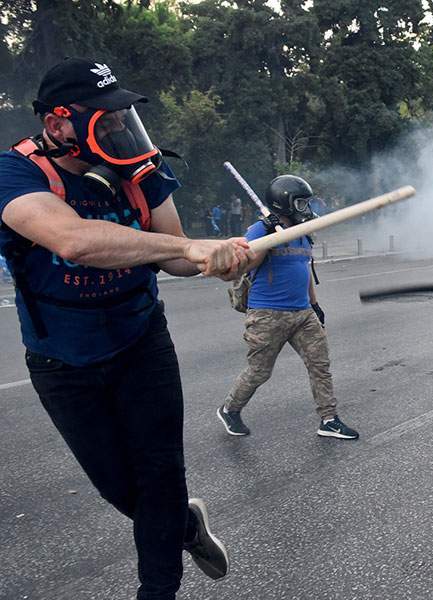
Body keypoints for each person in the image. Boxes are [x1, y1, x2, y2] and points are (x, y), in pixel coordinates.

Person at [0, 58, 253, 600]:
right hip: (61, 360)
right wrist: (185, 247)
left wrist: (223, 257)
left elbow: (178, 259)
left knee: (161, 479)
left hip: (142, 343)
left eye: (122, 114)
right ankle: (184, 527)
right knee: (121, 489)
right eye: (103, 115)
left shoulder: (143, 171)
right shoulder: (16, 173)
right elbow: (75, 242)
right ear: (59, 123)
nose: (118, 126)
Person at [218, 175, 358, 440]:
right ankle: (230, 410)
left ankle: (329, 419)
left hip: (302, 313)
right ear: (284, 203)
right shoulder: (260, 230)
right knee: (259, 371)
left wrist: (315, 305)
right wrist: (269, 235)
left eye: (307, 202)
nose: (306, 207)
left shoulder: (302, 234)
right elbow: (246, 265)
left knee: (320, 364)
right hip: (267, 314)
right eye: (301, 202)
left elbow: (304, 269)